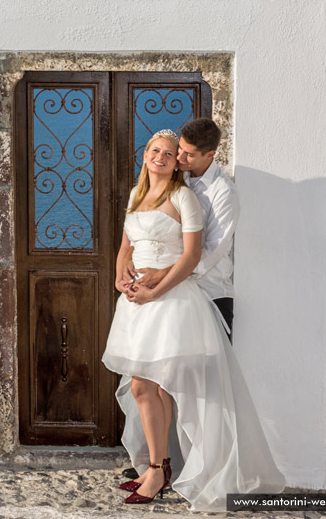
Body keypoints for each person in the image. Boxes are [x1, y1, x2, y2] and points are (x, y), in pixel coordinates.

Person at [102, 129, 284, 511]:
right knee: (157, 387)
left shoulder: (187, 197)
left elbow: (194, 256)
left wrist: (155, 287)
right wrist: (121, 276)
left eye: (174, 153)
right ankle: (162, 466)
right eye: (159, 151)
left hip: (173, 300)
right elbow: (125, 246)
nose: (167, 157)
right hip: (137, 303)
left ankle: (163, 468)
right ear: (145, 155)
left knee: (148, 387)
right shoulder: (137, 196)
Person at [120, 118, 239, 336]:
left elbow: (212, 252)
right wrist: (130, 253)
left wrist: (163, 275)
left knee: (205, 368)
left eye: (189, 154)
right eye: (180, 150)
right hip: (168, 290)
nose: (180, 157)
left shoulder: (223, 192)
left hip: (210, 291)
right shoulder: (177, 176)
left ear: (210, 155)